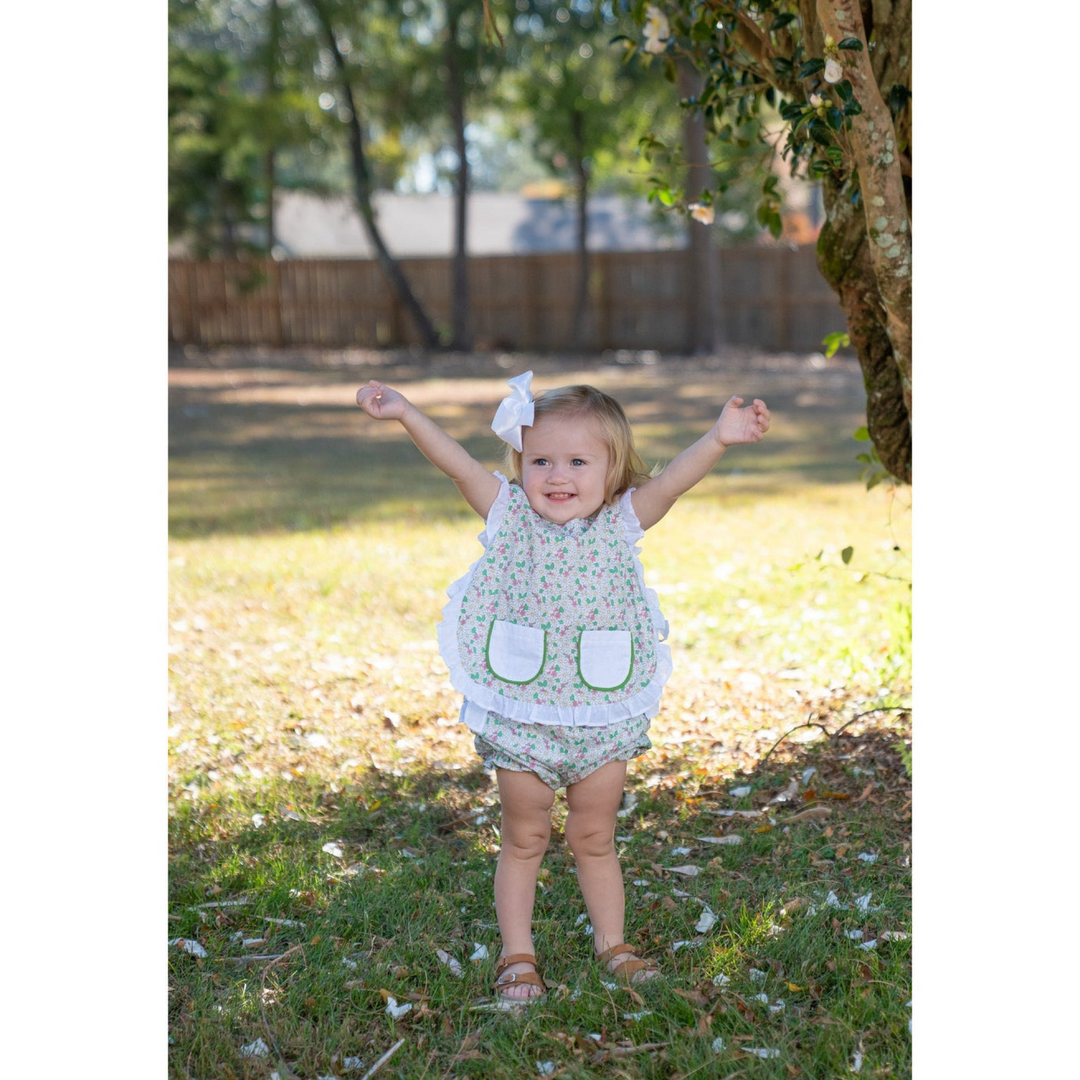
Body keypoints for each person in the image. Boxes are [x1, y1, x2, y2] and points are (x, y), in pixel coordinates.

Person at [356, 371, 770, 1001]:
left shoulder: (621, 522)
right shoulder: (508, 515)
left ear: (612, 470)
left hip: (602, 716)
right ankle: (517, 956)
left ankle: (615, 946)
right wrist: (408, 413)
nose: (557, 476)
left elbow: (674, 483)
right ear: (521, 464)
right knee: (525, 837)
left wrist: (719, 437)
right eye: (540, 459)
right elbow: (458, 464)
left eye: (578, 461)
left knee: (594, 836)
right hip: (523, 716)